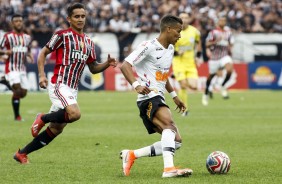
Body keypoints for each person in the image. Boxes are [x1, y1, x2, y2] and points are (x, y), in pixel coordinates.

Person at [13, 3, 117, 164]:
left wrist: (107, 63)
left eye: (83, 16)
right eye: (77, 16)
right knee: (75, 114)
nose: (80, 19)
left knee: (57, 128)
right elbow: (43, 53)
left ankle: (22, 153)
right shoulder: (62, 35)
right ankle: (42, 117)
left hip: (72, 88)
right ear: (69, 19)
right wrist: (41, 76)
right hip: (59, 84)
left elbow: (94, 68)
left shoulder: (89, 42)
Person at [120, 14, 193, 178]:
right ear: (168, 29)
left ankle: (131, 155)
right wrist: (136, 85)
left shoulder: (171, 49)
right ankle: (169, 169)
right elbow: (125, 65)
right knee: (169, 126)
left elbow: (163, 75)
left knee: (176, 142)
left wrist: (174, 96)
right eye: (178, 31)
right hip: (148, 97)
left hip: (159, 96)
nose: (180, 35)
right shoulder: (148, 46)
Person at [0, 14, 33, 121]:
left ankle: (5, 81)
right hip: (11, 68)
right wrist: (5, 52)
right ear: (12, 23)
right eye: (16, 21)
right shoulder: (7, 36)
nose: (19, 23)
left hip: (22, 69)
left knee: (23, 93)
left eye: (20, 21)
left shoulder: (27, 37)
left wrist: (29, 54)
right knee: (17, 89)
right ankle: (17, 116)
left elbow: (27, 49)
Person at [172, 12, 202, 116]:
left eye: (186, 18)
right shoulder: (174, 32)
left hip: (190, 64)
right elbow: (168, 48)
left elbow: (198, 43)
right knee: (183, 86)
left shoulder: (195, 32)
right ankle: (184, 109)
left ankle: (173, 77)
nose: (184, 20)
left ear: (189, 19)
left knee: (194, 86)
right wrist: (176, 52)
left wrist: (198, 56)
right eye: (182, 18)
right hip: (178, 63)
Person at [202, 16, 234, 106]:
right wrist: (215, 42)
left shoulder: (228, 32)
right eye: (221, 20)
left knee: (229, 70)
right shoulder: (213, 32)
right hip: (214, 58)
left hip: (224, 55)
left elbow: (231, 43)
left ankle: (223, 86)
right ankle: (205, 93)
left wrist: (230, 47)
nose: (223, 22)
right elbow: (207, 43)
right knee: (211, 77)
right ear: (218, 22)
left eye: (224, 20)